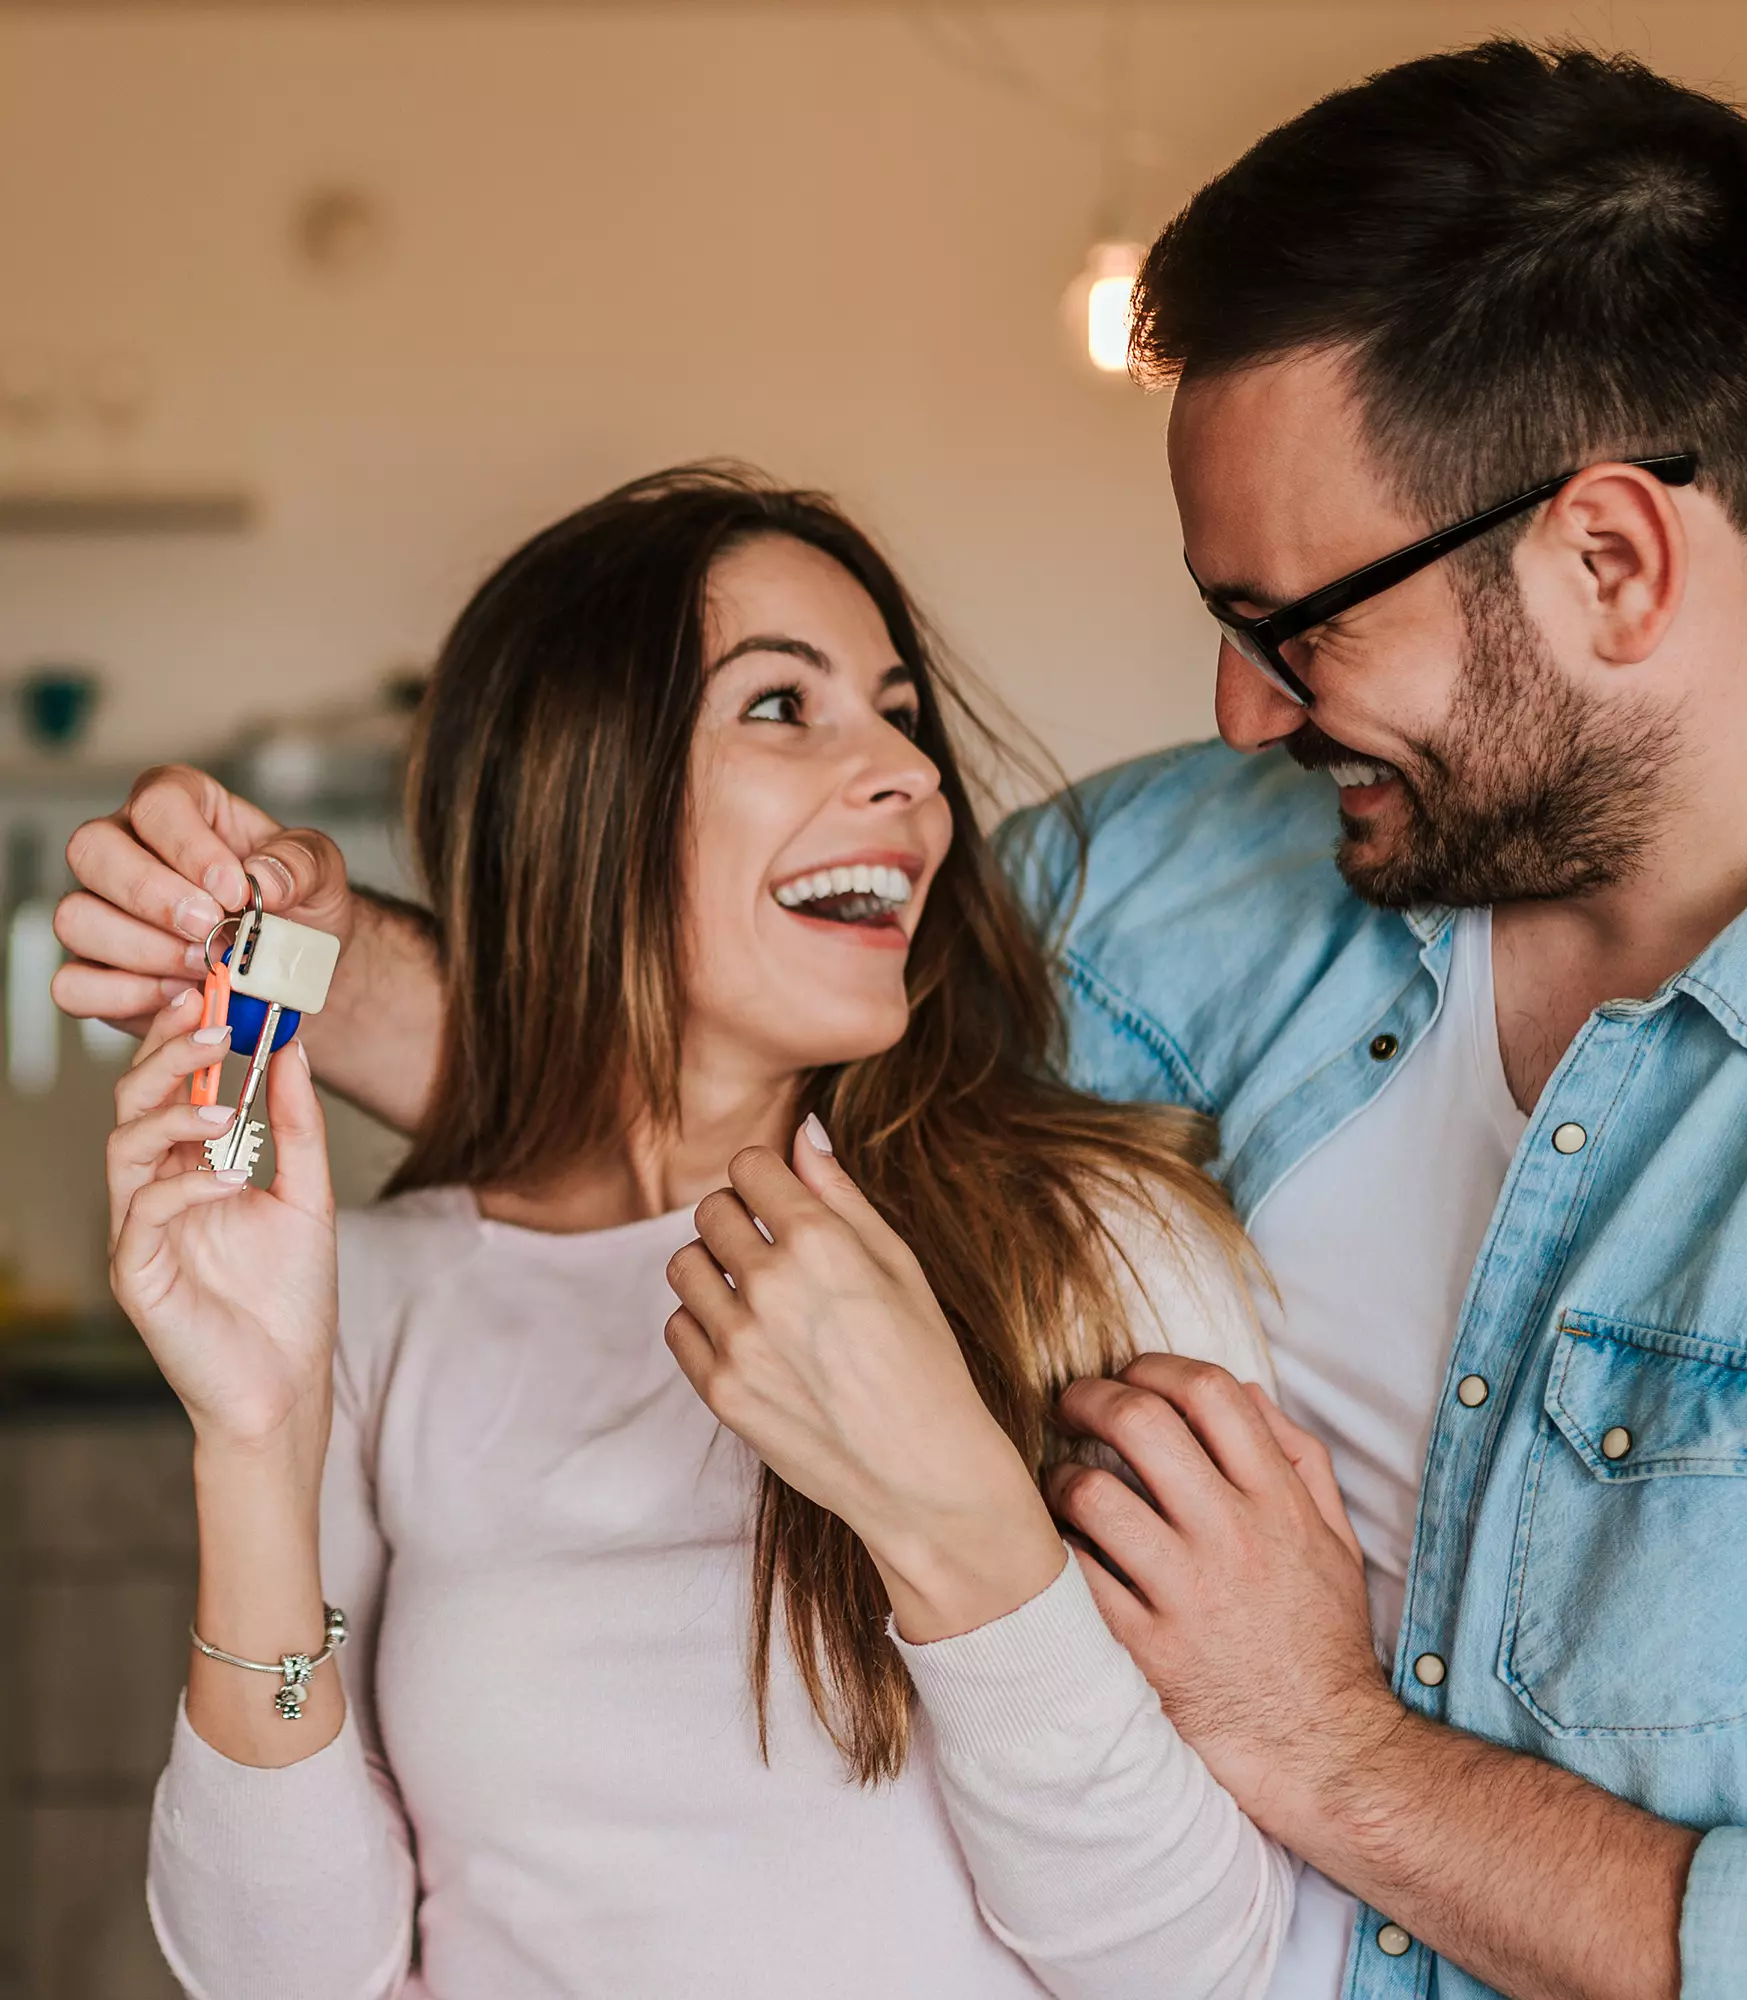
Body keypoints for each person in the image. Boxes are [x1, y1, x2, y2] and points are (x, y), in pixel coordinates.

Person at [62, 39, 1747, 2000]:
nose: (1241, 717)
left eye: (1295, 623)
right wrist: (304, 954)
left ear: (1608, 557)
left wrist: (1324, 1744)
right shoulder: (1184, 879)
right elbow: (705, 1076)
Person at [99, 467, 1298, 2000]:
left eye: (899, 713)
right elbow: (284, 1976)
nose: (910, 780)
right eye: (782, 709)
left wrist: (956, 1512)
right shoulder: (387, 1295)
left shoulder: (1095, 1239)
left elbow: (1201, 1969)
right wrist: (254, 1445)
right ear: (577, 791)